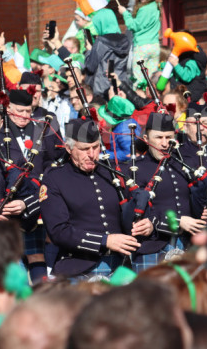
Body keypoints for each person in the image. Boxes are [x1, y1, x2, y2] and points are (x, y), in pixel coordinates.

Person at [40, 118, 139, 279]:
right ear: (69, 148)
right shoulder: (55, 179)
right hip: (78, 266)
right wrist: (104, 241)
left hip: (121, 265)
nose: (92, 154)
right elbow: (58, 231)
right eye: (84, 149)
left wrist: (146, 222)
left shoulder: (113, 173)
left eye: (96, 147)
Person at [127, 112, 200, 272]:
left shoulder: (184, 165)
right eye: (159, 137)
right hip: (153, 247)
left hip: (189, 245)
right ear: (146, 139)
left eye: (169, 137)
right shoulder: (136, 169)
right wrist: (177, 221)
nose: (165, 143)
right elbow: (137, 214)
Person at [120, 0, 161, 82]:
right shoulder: (155, 6)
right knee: (152, 79)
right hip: (155, 46)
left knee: (139, 79)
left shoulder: (144, 9)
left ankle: (141, 93)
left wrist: (125, 13)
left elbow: (134, 26)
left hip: (142, 47)